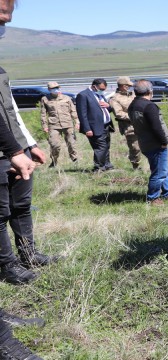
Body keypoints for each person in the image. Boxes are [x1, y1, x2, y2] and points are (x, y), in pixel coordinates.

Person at [0, 1, 49, 357]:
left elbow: (10, 109)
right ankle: (9, 266)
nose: (3, 27)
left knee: (21, 206)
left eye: (7, 21)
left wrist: (27, 144)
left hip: (11, 149)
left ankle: (28, 255)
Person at [128, 80, 168, 205]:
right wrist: (163, 141)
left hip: (144, 142)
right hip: (155, 143)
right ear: (150, 91)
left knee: (162, 169)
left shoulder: (133, 105)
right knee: (159, 173)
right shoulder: (149, 106)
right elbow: (156, 127)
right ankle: (153, 198)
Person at [76, 78, 115, 172]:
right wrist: (87, 129)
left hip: (105, 125)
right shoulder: (83, 95)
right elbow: (82, 114)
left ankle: (107, 164)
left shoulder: (99, 95)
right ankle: (98, 168)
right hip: (93, 127)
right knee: (100, 147)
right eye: (101, 89)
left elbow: (105, 109)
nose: (102, 91)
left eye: (104, 89)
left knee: (106, 145)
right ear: (94, 86)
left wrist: (108, 106)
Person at [40, 81, 79, 167]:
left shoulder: (67, 98)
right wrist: (44, 126)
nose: (55, 89)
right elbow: (43, 114)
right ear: (49, 89)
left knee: (71, 143)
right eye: (53, 88)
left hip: (67, 124)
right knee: (55, 145)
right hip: (54, 125)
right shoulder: (45, 99)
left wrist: (77, 122)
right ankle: (54, 161)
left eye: (57, 88)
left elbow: (73, 110)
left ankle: (75, 160)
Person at [109, 76, 141, 170]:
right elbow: (118, 114)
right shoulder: (115, 99)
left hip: (141, 124)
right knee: (135, 147)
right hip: (129, 126)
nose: (129, 87)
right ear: (123, 86)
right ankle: (136, 166)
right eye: (127, 85)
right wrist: (133, 117)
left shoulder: (133, 94)